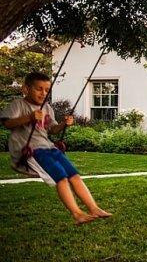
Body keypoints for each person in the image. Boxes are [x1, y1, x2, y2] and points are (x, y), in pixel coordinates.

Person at [0, 72, 112, 225]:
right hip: (32, 150)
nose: (43, 93)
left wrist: (64, 124)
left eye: (47, 90)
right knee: (61, 177)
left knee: (74, 175)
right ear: (26, 88)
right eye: (39, 89)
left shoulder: (47, 107)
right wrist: (29, 117)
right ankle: (77, 213)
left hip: (49, 147)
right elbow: (7, 123)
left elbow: (52, 129)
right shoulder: (18, 104)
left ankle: (94, 208)